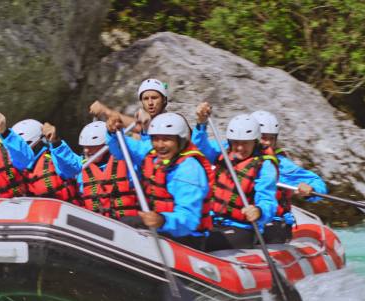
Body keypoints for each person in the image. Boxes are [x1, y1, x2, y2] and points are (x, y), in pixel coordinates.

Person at [106, 112, 213, 250]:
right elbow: (121, 147)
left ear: (180, 141)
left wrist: (162, 220)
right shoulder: (152, 153)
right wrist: (113, 132)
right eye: (155, 139)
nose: (160, 145)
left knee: (127, 226)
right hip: (158, 227)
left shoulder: (189, 170)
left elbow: (189, 219)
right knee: (117, 224)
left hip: (186, 238)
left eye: (166, 139)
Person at [192, 107, 279, 251]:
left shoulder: (265, 166)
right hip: (212, 220)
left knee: (202, 242)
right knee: (185, 234)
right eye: (236, 142)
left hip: (241, 229)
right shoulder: (224, 152)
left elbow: (268, 201)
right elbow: (200, 148)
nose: (239, 148)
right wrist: (201, 124)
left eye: (245, 143)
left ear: (255, 142)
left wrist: (259, 211)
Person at [251, 110, 328, 243]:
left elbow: (318, 183)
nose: (268, 143)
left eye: (271, 138)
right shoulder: (235, 156)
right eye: (264, 137)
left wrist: (310, 189)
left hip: (273, 224)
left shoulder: (282, 165)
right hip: (242, 221)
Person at [12, 119, 80, 201]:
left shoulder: (55, 158)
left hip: (68, 210)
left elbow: (73, 167)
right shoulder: (21, 168)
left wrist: (56, 143)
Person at [90, 78, 169, 139]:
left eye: (154, 98)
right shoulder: (137, 128)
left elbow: (142, 127)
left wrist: (105, 111)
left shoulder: (172, 121)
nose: (150, 103)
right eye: (146, 99)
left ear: (164, 100)